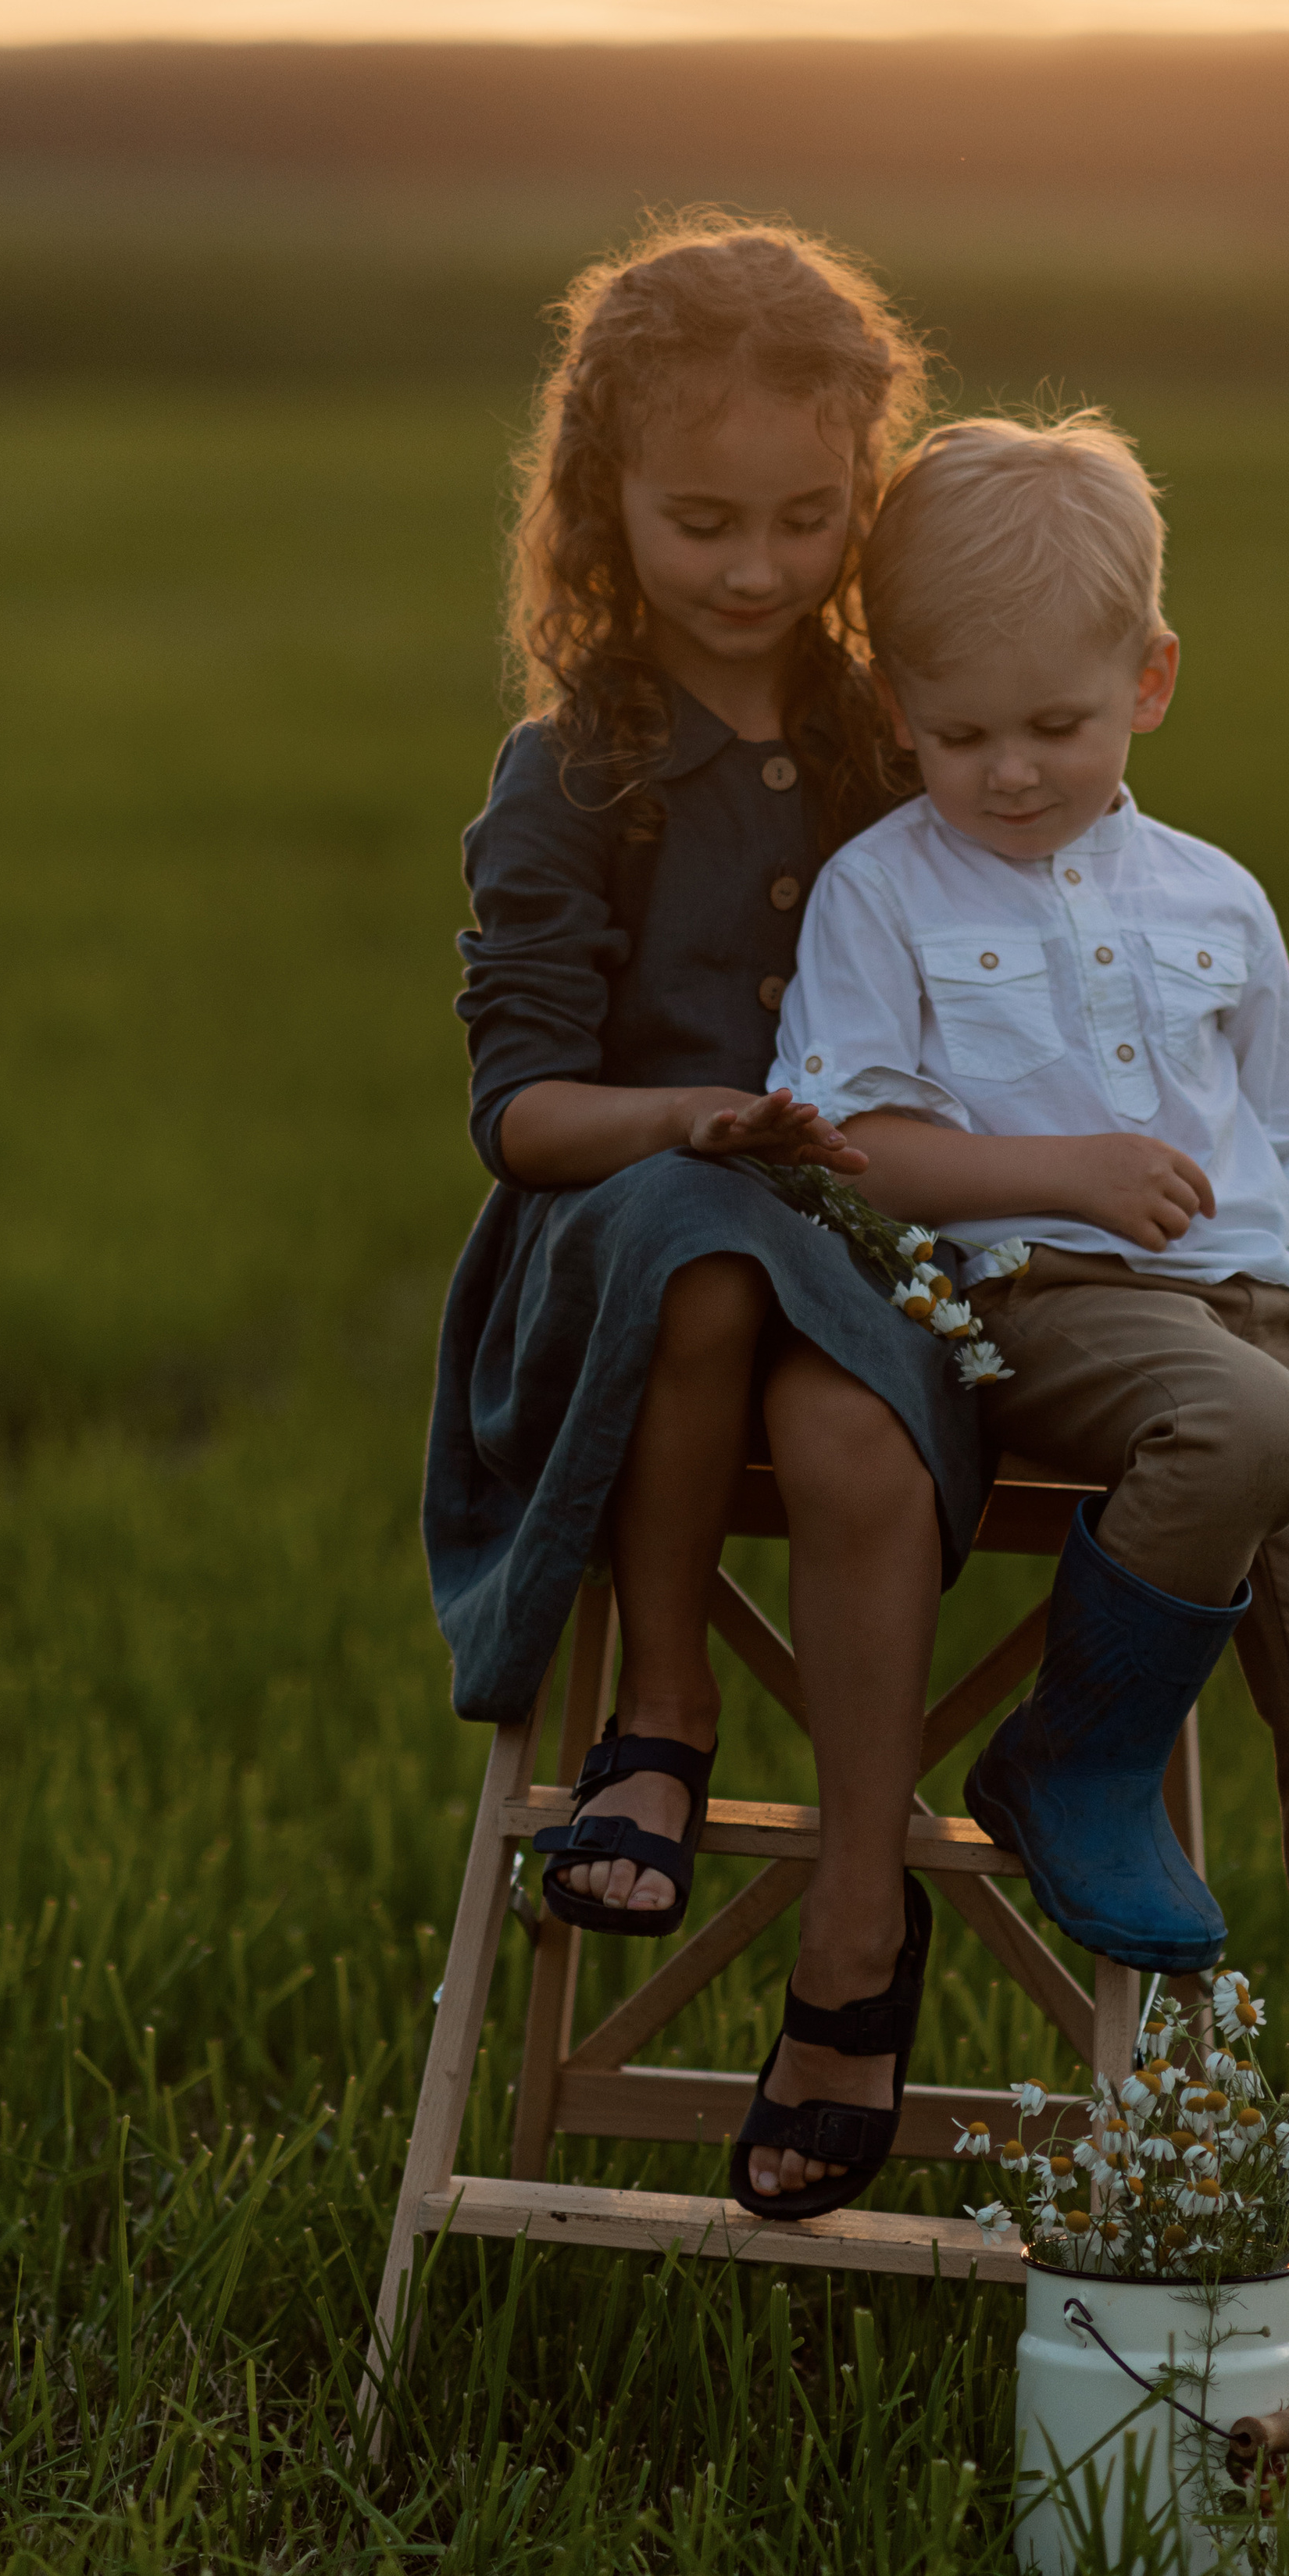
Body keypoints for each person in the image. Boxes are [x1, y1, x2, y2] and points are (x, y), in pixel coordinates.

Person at [769, 413, 1289, 2325]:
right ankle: (1074, 1758)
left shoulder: (1214, 898)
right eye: (957, 737)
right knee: (1229, 1415)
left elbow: (1288, 1152)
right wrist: (1054, 1170)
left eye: (1056, 727)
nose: (1008, 774)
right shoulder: (884, 894)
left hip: (1262, 1323)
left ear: (1148, 683)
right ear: (892, 704)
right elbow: (840, 1130)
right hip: (1054, 1306)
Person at [423, 219, 987, 2221]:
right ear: (606, 503)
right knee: (697, 1225)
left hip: (853, 1251)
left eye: (805, 520)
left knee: (844, 1418)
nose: (756, 570)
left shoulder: (886, 737)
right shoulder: (567, 769)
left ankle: (855, 1937)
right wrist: (696, 1113)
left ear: (861, 493)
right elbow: (523, 1119)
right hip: (610, 1252)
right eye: (699, 522)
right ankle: (657, 1709)